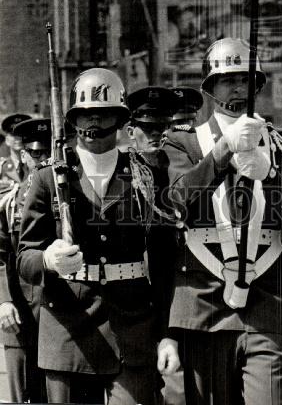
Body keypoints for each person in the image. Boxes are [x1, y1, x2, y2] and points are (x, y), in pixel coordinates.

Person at [162, 37, 282, 405]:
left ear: (258, 85)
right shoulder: (184, 144)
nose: (238, 87)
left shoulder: (281, 145)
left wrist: (271, 176)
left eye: (246, 79)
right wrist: (222, 151)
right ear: (210, 87)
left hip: (268, 301)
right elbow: (175, 202)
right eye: (228, 79)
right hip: (203, 304)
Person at [17, 67, 179, 405]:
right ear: (74, 120)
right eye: (86, 116)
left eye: (103, 116)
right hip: (68, 330)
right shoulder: (49, 178)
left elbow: (165, 264)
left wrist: (166, 335)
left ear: (120, 120)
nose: (94, 125)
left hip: (131, 328)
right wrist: (48, 258)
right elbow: (24, 258)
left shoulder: (145, 176)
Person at [0, 117, 50, 404]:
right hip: (18, 312)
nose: (42, 159)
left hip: (58, 315)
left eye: (47, 153)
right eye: (35, 153)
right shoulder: (9, 201)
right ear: (24, 155)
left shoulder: (71, 197)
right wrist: (4, 300)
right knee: (21, 397)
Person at [126, 85, 180, 155]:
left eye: (161, 126)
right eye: (147, 126)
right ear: (131, 132)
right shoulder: (121, 164)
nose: (156, 133)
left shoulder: (181, 164)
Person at [0, 114, 31, 195]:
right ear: (7, 140)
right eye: (13, 134)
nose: (18, 138)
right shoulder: (1, 167)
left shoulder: (35, 165)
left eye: (21, 133)